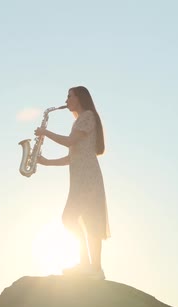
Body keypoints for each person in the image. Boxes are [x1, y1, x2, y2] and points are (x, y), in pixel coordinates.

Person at [35, 86, 110, 280]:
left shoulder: (87, 116)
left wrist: (46, 132)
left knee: (75, 219)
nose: (66, 99)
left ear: (79, 98)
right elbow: (72, 156)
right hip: (81, 179)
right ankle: (91, 268)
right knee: (85, 221)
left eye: (70, 96)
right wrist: (47, 162)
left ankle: (92, 267)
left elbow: (70, 142)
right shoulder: (80, 120)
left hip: (87, 178)